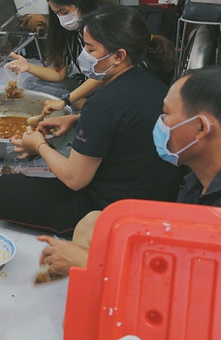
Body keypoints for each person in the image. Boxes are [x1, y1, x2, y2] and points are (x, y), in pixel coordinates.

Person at [0, 6, 182, 235]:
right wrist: (78, 119)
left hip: (111, 211)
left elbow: (74, 179)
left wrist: (37, 143)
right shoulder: (153, 84)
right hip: (154, 199)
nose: (84, 55)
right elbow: (124, 123)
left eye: (90, 48)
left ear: (119, 56)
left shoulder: (103, 103)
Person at [38, 65, 221, 277]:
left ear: (200, 127)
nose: (160, 123)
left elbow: (194, 286)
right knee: (93, 222)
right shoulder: (198, 181)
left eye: (166, 114)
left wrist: (89, 262)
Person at [6, 0, 104, 106]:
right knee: (30, 83)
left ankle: (87, 107)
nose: (61, 18)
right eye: (56, 13)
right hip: (87, 84)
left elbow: (103, 77)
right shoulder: (68, 30)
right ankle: (82, 103)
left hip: (109, 88)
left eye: (64, 12)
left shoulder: (102, 25)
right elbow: (59, 74)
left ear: (81, 2)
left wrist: (66, 100)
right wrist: (27, 66)